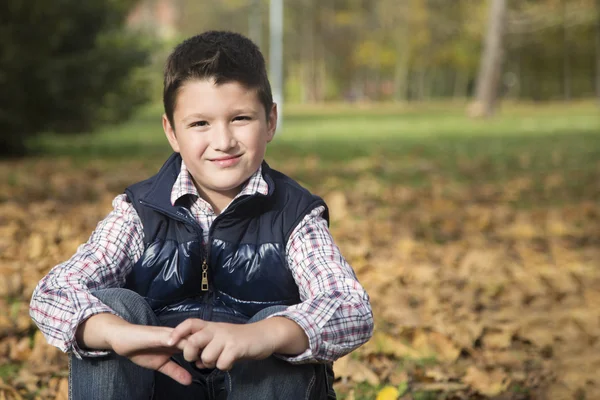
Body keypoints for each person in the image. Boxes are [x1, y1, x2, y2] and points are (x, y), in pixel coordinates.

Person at [29, 31, 373, 400]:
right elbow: (52, 293)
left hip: (262, 388)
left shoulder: (295, 215)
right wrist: (114, 331)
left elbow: (351, 308)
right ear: (172, 132)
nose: (223, 141)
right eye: (200, 124)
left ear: (270, 121)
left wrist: (266, 334)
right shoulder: (140, 211)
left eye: (240, 118)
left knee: (277, 317)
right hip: (161, 386)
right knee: (115, 307)